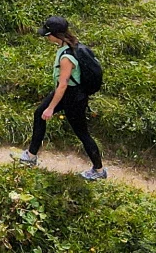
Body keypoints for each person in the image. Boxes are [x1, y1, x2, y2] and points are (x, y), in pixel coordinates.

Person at [9, 16, 106, 180]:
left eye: (48, 34)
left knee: (82, 133)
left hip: (72, 97)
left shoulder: (66, 58)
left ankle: (99, 171)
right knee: (39, 113)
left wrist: (51, 108)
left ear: (55, 34)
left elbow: (63, 85)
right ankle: (31, 156)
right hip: (71, 93)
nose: (46, 37)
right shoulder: (72, 44)